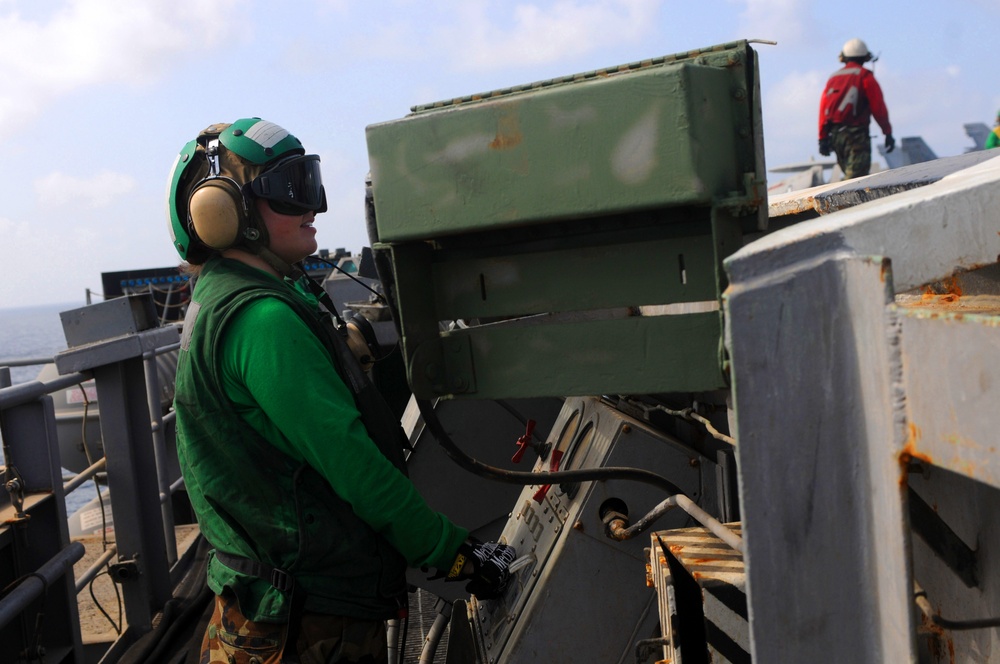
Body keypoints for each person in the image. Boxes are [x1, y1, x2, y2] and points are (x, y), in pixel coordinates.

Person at [166, 118, 516, 664]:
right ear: (225, 213)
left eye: (311, 182)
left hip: (267, 607)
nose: (314, 206)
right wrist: (458, 554)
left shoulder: (222, 299)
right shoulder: (263, 321)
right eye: (290, 190)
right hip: (306, 624)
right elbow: (353, 465)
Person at [818, 38, 895, 179]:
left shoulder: (833, 78)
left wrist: (822, 138)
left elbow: (824, 109)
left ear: (843, 57)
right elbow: (878, 108)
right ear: (866, 57)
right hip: (856, 136)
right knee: (856, 180)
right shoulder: (865, 77)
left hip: (836, 137)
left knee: (850, 176)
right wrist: (887, 132)